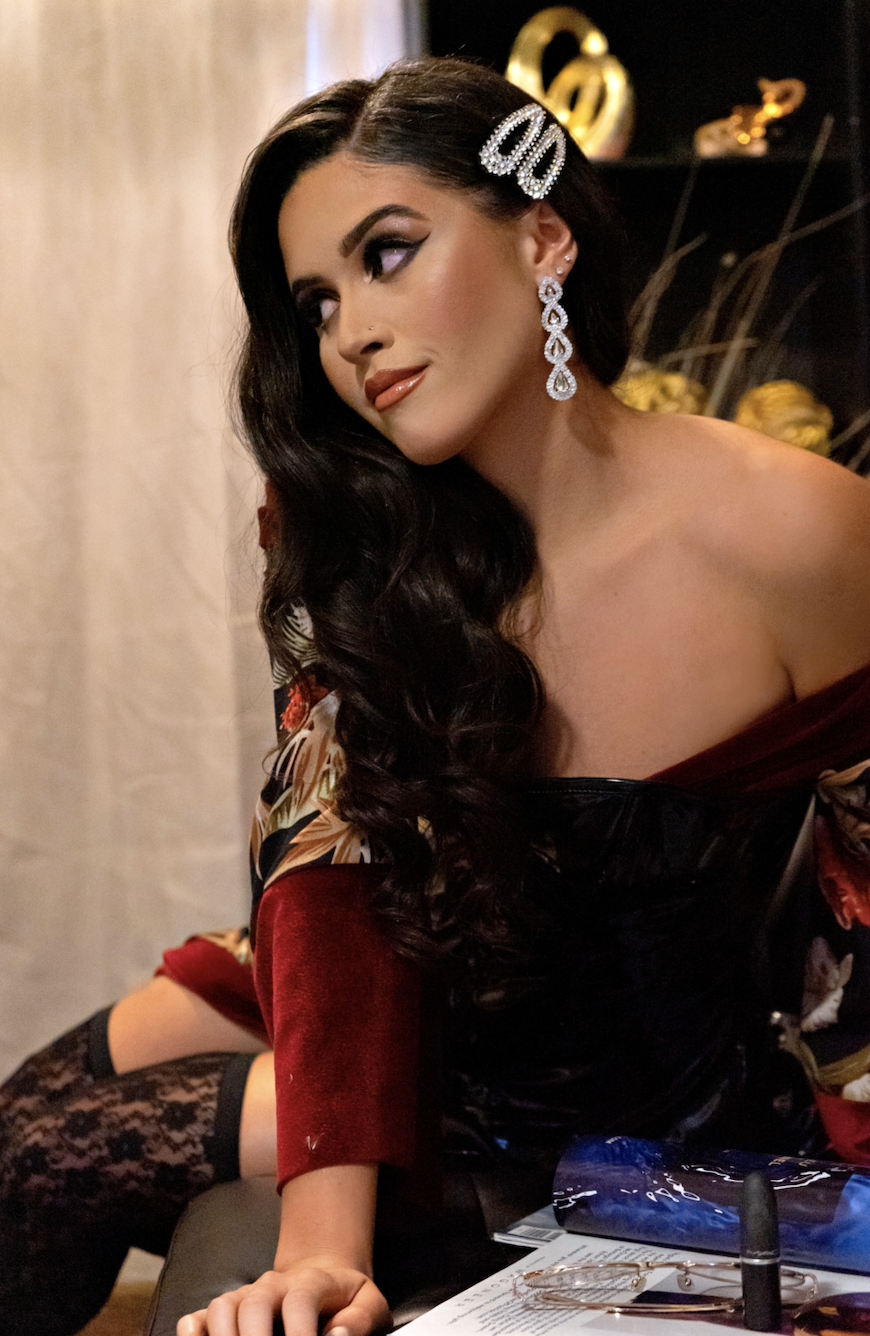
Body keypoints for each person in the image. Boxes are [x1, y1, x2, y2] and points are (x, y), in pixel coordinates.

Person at [4, 54, 870, 1336]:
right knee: (33, 1122)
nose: (350, 331)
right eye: (314, 301)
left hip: (608, 1097)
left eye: (388, 253)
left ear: (545, 237)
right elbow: (329, 877)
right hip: (400, 973)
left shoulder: (795, 531)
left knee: (40, 1156)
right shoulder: (362, 531)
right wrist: (321, 1248)